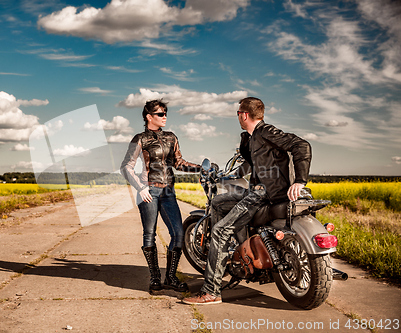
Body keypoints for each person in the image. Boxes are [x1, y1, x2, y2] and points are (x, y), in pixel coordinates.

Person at [182, 96, 312, 304]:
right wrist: (229, 176)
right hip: (258, 191)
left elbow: (301, 145)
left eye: (238, 114)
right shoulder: (253, 138)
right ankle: (231, 254)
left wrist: (300, 181)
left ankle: (211, 291)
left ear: (243, 114)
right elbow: (250, 165)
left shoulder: (266, 132)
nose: (238, 117)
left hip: (264, 195)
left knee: (219, 230)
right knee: (217, 203)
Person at [120, 99, 201, 293]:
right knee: (150, 234)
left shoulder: (171, 137)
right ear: (149, 117)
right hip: (148, 191)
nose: (164, 117)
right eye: (160, 114)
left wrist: (201, 168)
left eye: (165, 113)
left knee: (178, 233)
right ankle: (155, 279)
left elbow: (179, 163)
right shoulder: (140, 138)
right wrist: (141, 188)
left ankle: (171, 278)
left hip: (168, 191)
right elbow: (126, 166)